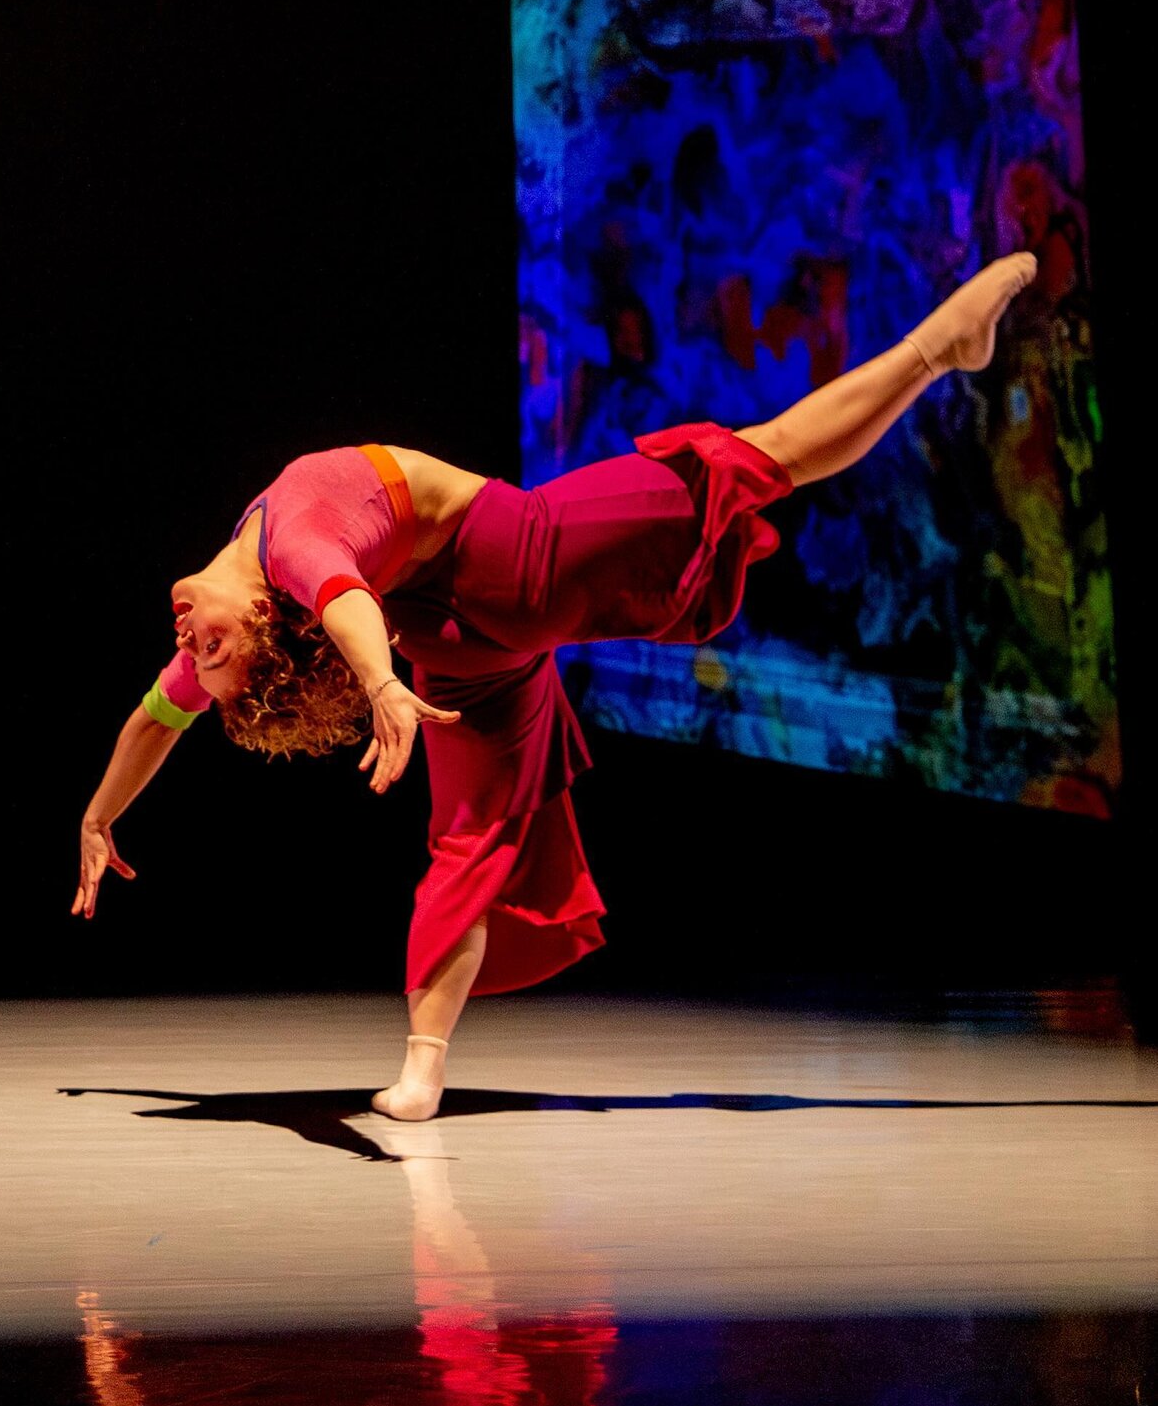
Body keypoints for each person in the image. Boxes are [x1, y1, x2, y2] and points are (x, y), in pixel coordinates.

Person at [70, 253, 1039, 1122]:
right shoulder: (287, 551)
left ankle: (420, 1074)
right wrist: (376, 682)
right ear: (263, 624)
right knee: (749, 461)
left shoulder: (256, 576)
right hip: (508, 569)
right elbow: (342, 600)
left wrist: (99, 814)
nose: (189, 649)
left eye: (197, 652)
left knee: (464, 840)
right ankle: (935, 348)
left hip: (450, 638)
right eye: (209, 652)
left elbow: (155, 721)